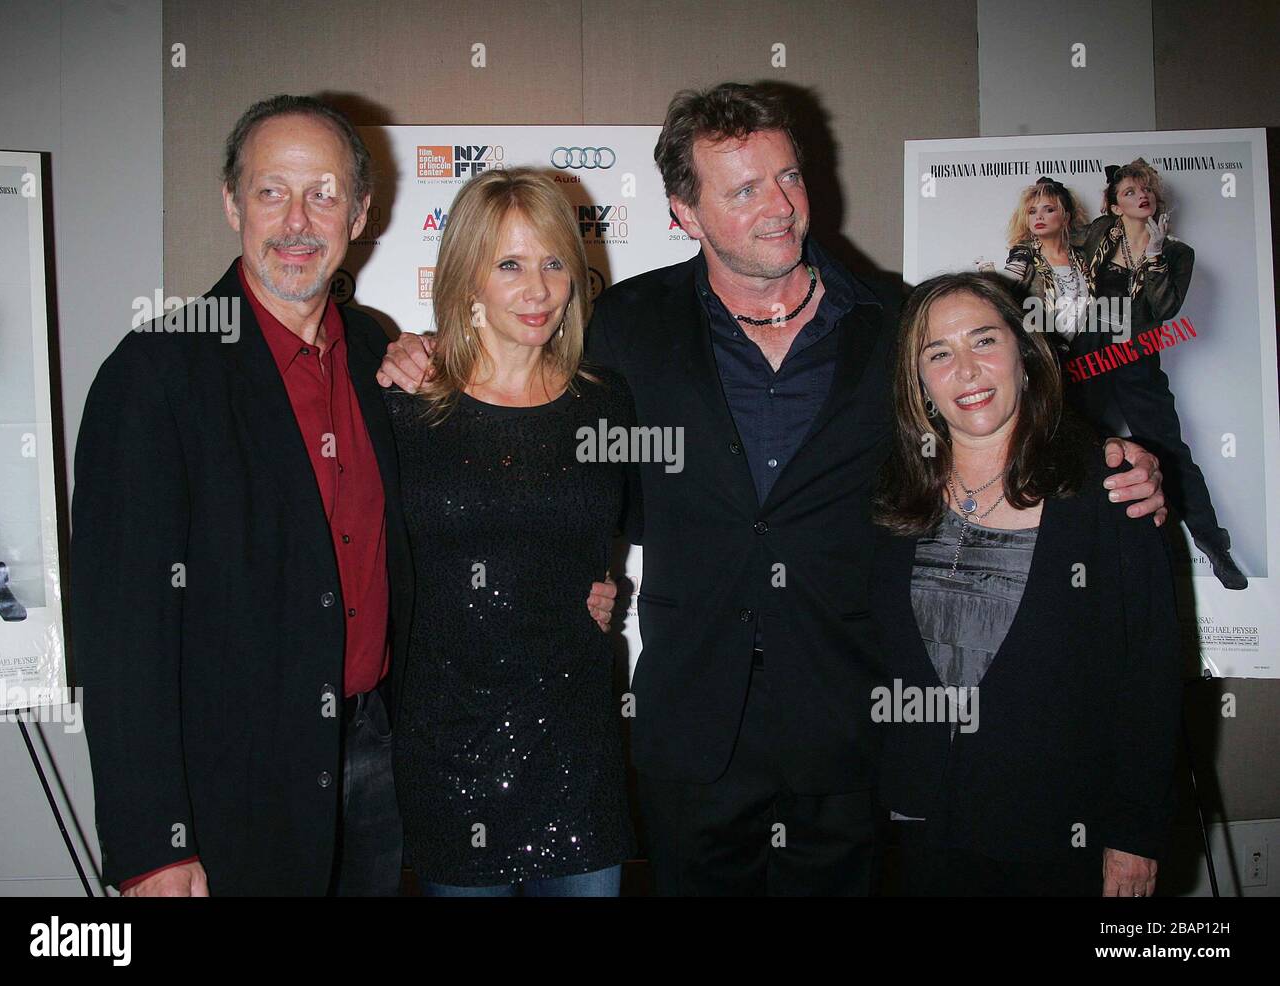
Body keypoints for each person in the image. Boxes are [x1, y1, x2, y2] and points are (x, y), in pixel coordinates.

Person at [379, 82, 1167, 896]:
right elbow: (531, 416)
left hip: (848, 729)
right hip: (692, 733)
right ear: (684, 212)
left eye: (788, 177)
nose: (779, 206)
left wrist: (1111, 454)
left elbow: (1000, 399)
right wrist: (430, 357)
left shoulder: (891, 320)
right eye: (744, 189)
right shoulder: (625, 327)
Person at [71, 95, 617, 896]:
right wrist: (151, 843)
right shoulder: (157, 374)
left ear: (360, 211)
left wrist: (577, 585)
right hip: (234, 780)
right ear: (232, 202)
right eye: (271, 191)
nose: (298, 220)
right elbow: (120, 635)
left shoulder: (376, 354)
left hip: (381, 755)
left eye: (324, 192)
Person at [871, 272, 1181, 896]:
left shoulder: (1110, 489)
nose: (966, 369)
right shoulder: (886, 496)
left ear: (1026, 354)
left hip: (1058, 836)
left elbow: (1149, 674)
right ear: (920, 383)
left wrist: (1135, 833)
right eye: (939, 353)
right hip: (915, 832)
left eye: (984, 340)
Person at [382, 168, 636, 896]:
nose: (539, 289)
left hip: (574, 742)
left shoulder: (606, 402)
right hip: (448, 741)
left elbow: (621, 530)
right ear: (468, 278)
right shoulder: (405, 406)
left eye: (555, 262)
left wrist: (609, 586)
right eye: (511, 265)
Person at [1074, 159, 1245, 589]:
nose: (1142, 196)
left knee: (1168, 448)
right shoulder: (1097, 235)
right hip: (1087, 349)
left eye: (1146, 189)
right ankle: (1073, 549)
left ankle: (1213, 544)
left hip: (1136, 354)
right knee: (1071, 441)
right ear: (1113, 205)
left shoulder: (1175, 252)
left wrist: (1153, 257)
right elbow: (1063, 269)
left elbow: (1166, 309)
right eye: (1129, 192)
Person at [997, 176, 1092, 342]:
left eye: (1048, 210)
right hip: (1045, 352)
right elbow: (1003, 295)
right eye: (1032, 211)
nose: (1039, 216)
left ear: (1065, 218)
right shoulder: (1024, 256)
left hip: (1083, 354)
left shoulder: (1082, 257)